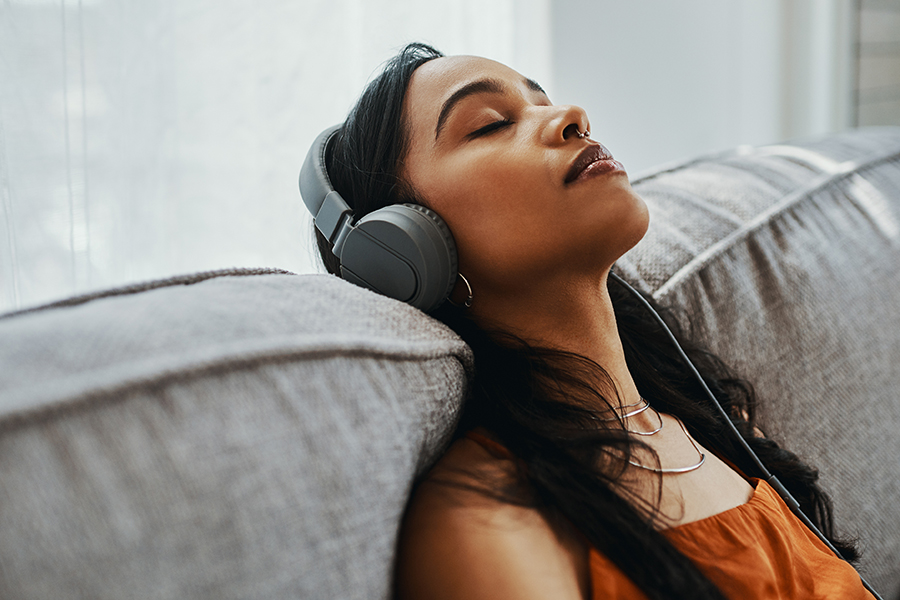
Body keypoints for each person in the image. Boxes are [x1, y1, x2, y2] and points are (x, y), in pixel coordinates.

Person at [311, 43, 873, 599]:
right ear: (405, 248)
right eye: (489, 125)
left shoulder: (716, 424)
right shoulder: (489, 522)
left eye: (543, 99)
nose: (571, 116)